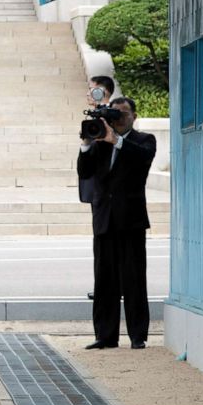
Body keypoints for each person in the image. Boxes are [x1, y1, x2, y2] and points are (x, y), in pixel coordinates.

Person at [77, 96, 156, 350]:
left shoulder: (144, 141)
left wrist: (117, 140)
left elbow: (141, 159)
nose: (119, 117)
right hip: (104, 219)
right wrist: (87, 143)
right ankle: (105, 335)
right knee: (104, 280)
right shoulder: (100, 142)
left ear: (134, 115)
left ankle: (137, 336)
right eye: (115, 113)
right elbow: (85, 172)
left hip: (130, 220)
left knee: (134, 279)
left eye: (123, 113)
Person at [80, 75, 115, 300]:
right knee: (100, 244)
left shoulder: (114, 116)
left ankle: (111, 286)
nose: (89, 94)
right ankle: (103, 286)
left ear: (104, 92)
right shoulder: (94, 117)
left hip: (111, 191)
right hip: (97, 190)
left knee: (110, 244)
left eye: (93, 90)